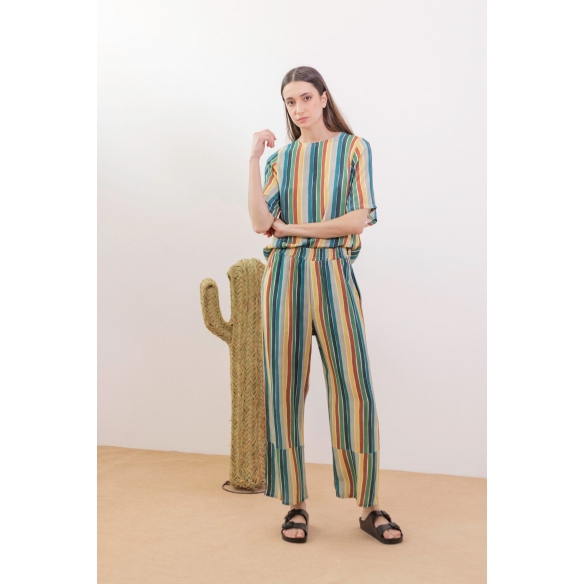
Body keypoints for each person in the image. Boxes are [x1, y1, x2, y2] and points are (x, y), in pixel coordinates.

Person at [247, 66, 403, 545]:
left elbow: (358, 218)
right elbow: (259, 222)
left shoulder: (354, 148)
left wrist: (293, 229)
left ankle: (370, 505)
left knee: (354, 385)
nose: (298, 108)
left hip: (334, 272)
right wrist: (253, 160)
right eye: (290, 101)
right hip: (284, 278)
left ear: (323, 98)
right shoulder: (282, 158)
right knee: (284, 388)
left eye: (305, 98)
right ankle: (294, 503)